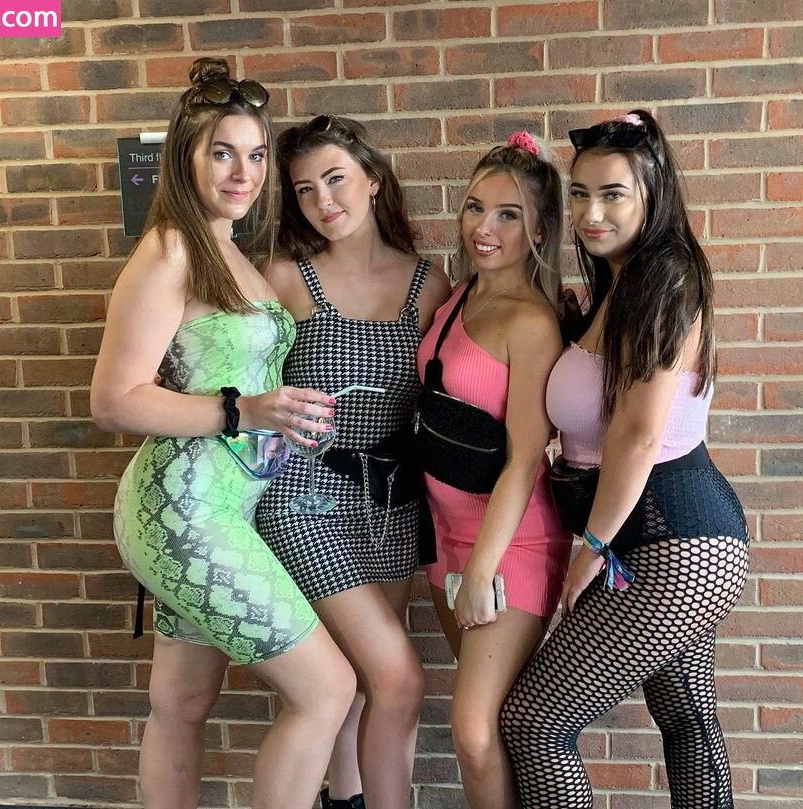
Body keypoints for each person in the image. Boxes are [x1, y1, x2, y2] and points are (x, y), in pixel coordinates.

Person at [90, 58, 356, 809]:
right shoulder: (171, 248)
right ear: (187, 156)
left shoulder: (227, 245)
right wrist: (244, 411)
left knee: (181, 703)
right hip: (184, 511)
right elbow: (113, 400)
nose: (244, 172)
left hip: (218, 508)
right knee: (328, 689)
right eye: (223, 153)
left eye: (256, 154)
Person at [499, 110, 750, 808]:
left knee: (535, 722)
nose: (591, 213)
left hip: (669, 539)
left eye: (613, 194)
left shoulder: (664, 277)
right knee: (687, 721)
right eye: (580, 193)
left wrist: (593, 546)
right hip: (670, 537)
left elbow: (638, 433)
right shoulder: (622, 282)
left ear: (652, 194)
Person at [254, 115, 450, 809]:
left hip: (392, 502)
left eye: (335, 179)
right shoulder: (286, 277)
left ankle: (347, 799)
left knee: (366, 680)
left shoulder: (429, 283)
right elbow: (231, 370)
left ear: (372, 179)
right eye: (305, 189)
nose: (323, 200)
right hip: (304, 496)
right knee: (395, 677)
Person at [417, 132, 569, 809]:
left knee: (474, 732)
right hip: (444, 540)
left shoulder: (532, 322)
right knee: (495, 728)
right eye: (476, 207)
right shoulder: (457, 297)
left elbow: (526, 456)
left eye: (508, 214)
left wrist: (481, 569)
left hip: (510, 545)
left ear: (538, 230)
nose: (484, 227)